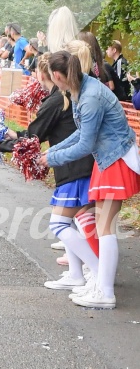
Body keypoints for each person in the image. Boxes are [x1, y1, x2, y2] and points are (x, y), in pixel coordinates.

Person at [39, 50, 140, 309]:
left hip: (115, 159)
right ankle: (100, 285)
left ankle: (104, 291)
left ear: (58, 76)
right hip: (109, 157)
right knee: (102, 226)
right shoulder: (81, 89)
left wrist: (53, 158)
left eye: (52, 77)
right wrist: (54, 151)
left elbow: (85, 143)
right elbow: (83, 134)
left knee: (105, 228)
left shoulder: (90, 96)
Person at [0, 53, 99, 290]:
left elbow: (34, 138)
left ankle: (97, 271)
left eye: (35, 74)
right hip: (74, 166)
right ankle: (77, 274)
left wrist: (1, 145)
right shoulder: (60, 96)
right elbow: (35, 133)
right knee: (70, 222)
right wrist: (12, 136)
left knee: (59, 223)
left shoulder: (55, 100)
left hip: (75, 167)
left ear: (45, 75)